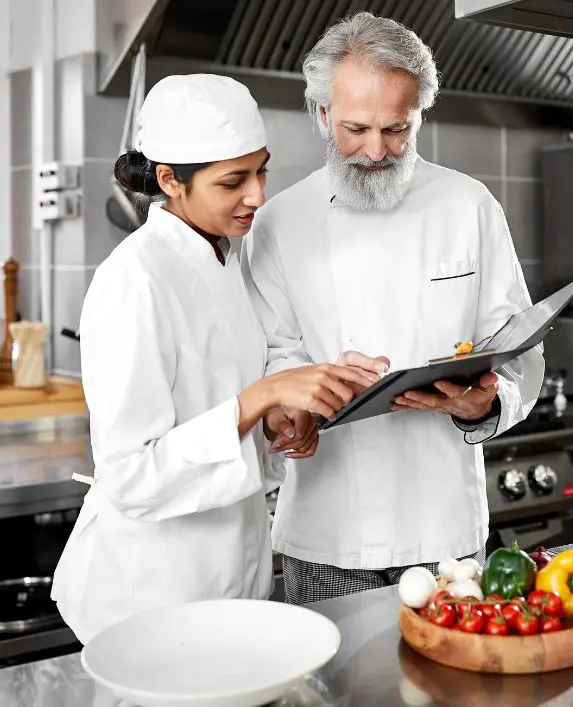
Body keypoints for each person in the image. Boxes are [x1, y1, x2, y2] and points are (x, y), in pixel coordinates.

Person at [51, 74, 371, 643]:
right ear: (171, 181)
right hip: (148, 601)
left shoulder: (223, 260)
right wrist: (264, 396)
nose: (257, 196)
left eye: (261, 170)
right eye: (233, 182)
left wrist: (277, 420)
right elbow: (130, 476)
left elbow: (225, 397)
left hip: (229, 578)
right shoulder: (134, 280)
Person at [241, 13, 545, 605]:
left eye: (397, 129)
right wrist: (290, 410)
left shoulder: (469, 206)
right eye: (356, 128)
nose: (376, 150)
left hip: (446, 536)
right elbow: (271, 353)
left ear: (420, 115)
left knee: (453, 691)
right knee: (330, 698)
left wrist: (487, 401)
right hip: (324, 532)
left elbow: (517, 347)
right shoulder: (279, 221)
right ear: (322, 115)